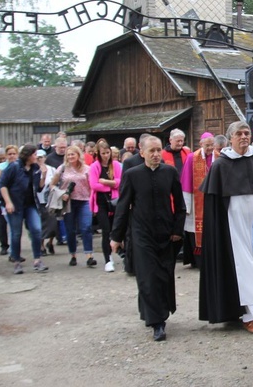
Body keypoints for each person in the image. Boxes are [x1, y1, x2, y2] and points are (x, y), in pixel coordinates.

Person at [110, 136, 186, 341]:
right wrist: (116, 236)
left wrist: (177, 229)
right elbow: (123, 206)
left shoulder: (169, 172)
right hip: (141, 233)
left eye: (159, 150)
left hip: (165, 232)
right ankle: (157, 323)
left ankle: (153, 312)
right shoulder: (132, 175)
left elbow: (180, 204)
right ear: (141, 152)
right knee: (147, 277)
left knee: (163, 275)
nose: (156, 154)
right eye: (151, 151)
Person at [198, 121, 253, 334]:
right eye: (239, 134)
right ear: (230, 138)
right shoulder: (221, 165)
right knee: (244, 266)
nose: (244, 137)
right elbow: (214, 206)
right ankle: (250, 315)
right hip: (235, 224)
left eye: (246, 133)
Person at [0, 143, 47, 275]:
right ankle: (16, 262)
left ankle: (37, 260)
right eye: (34, 154)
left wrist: (43, 175)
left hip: (30, 204)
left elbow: (39, 188)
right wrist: (8, 202)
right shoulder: (14, 167)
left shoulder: (35, 168)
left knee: (36, 229)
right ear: (28, 155)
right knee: (16, 233)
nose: (36, 157)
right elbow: (2, 185)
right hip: (15, 204)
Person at [50, 146, 96, 268]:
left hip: (84, 200)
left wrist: (93, 200)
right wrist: (61, 193)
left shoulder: (87, 169)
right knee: (70, 230)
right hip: (68, 203)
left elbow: (92, 186)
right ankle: (73, 255)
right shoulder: (62, 169)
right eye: (68, 155)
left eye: (73, 154)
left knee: (86, 227)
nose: (70, 157)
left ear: (78, 155)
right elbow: (52, 185)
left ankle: (89, 255)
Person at [180, 132, 215, 268]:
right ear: (201, 144)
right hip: (197, 201)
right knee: (195, 229)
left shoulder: (217, 157)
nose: (210, 148)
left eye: (212, 145)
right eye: (207, 145)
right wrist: (187, 204)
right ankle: (198, 260)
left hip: (212, 199)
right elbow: (186, 180)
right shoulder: (192, 158)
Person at [89, 139, 122, 272]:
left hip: (115, 201)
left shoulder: (116, 165)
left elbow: (120, 181)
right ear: (98, 153)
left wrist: (105, 182)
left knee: (117, 230)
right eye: (103, 153)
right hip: (101, 202)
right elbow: (94, 185)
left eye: (108, 152)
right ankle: (108, 259)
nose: (106, 155)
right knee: (106, 231)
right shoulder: (94, 166)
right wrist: (111, 185)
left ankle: (121, 252)